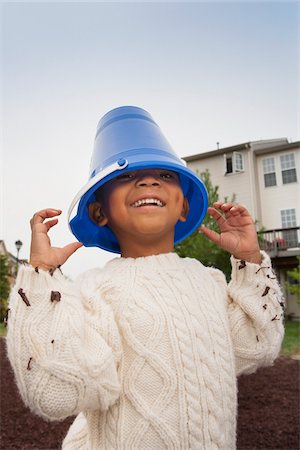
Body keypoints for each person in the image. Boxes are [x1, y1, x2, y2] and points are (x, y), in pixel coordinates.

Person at [6, 106, 284, 450]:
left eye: (166, 175)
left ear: (183, 206)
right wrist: (41, 276)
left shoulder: (209, 282)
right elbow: (55, 393)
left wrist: (250, 262)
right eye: (124, 175)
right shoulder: (95, 292)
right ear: (99, 211)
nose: (149, 181)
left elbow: (257, 346)